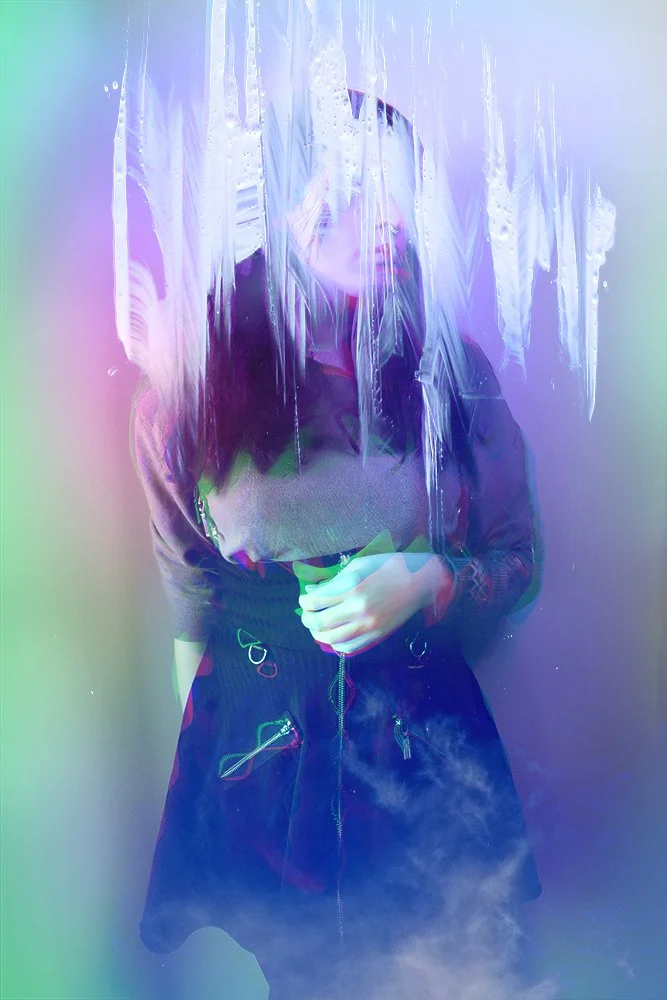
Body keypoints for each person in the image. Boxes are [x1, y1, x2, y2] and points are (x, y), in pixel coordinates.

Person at [131, 90, 541, 999]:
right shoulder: (187, 387)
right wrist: (211, 793)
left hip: (426, 754)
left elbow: (517, 559)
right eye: (356, 188)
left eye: (401, 191)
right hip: (261, 762)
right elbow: (190, 603)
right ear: (285, 199)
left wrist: (428, 580)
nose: (388, 217)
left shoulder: (448, 371)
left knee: (459, 971)